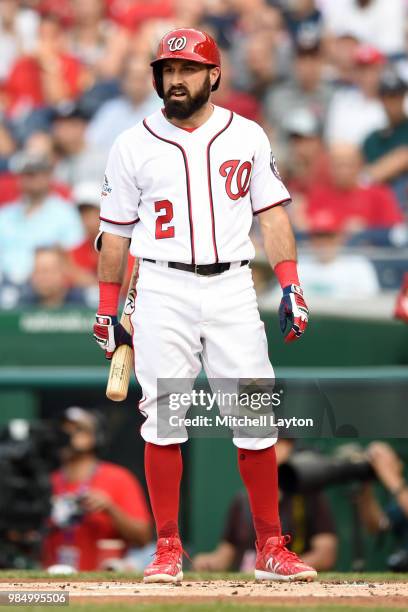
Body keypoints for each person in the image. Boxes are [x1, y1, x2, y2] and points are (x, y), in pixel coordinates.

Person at [93, 28, 316, 584]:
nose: (176, 80)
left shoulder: (247, 135)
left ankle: (270, 546)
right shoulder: (132, 143)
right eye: (168, 71)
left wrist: (290, 284)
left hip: (233, 286)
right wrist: (106, 309)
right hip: (162, 288)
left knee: (257, 414)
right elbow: (115, 237)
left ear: (213, 75)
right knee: (163, 417)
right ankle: (167, 547)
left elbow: (272, 215)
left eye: (188, 70)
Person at [193, 440, 337, 572]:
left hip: (287, 573)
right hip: (249, 576)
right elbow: (226, 553)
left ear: (288, 448)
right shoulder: (242, 499)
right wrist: (209, 562)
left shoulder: (308, 496)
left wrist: (284, 566)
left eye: (275, 443)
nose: (267, 449)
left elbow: (325, 553)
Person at [42, 406, 151, 571]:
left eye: (78, 430)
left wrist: (110, 508)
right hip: (53, 577)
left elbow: (143, 538)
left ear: (95, 437)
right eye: (63, 430)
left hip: (103, 583)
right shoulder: (48, 481)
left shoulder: (118, 477)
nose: (67, 436)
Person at [0, 152, 84, 286]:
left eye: (34, 174)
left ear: (48, 176)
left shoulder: (65, 212)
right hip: (5, 285)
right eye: (25, 175)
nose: (29, 180)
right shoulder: (5, 214)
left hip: (45, 287)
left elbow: (74, 259)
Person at [86, 56, 161, 152]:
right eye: (132, 77)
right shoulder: (110, 109)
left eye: (141, 77)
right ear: (123, 81)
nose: (137, 83)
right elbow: (91, 142)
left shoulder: (162, 111)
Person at [362, 68, 408, 213]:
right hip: (378, 197)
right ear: (381, 99)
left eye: (396, 95)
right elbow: (362, 177)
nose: (392, 101)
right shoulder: (372, 138)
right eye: (387, 96)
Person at [357, 442, 408, 571]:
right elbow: (376, 525)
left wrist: (389, 474)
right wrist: (366, 484)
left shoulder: (398, 489)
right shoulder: (398, 501)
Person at [20, 246, 88, 308]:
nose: (42, 278)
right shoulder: (23, 304)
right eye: (37, 271)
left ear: (63, 273)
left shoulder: (80, 304)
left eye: (47, 271)